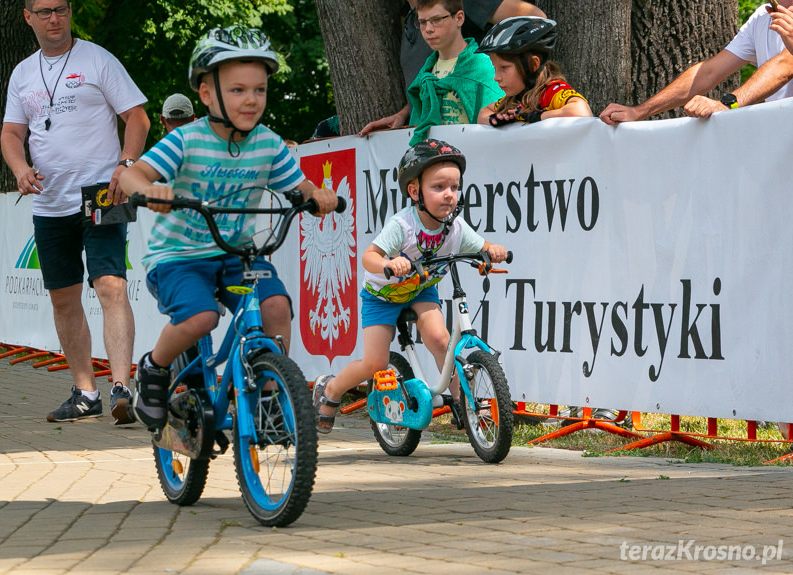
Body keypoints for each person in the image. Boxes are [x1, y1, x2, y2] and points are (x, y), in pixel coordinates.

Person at [118, 26, 338, 430]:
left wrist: (315, 194)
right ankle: (154, 367)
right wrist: (148, 190)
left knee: (275, 307)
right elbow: (132, 174)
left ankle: (271, 396)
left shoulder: (269, 144)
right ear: (206, 94)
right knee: (202, 317)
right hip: (179, 257)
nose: (251, 99)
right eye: (238, 90)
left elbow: (298, 186)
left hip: (238, 254)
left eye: (259, 89)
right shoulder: (186, 140)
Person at [0, 0, 150, 424]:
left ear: (69, 12)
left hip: (102, 193)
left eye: (61, 9)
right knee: (63, 298)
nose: (54, 18)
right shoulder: (22, 73)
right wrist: (20, 168)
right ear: (28, 17)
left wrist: (125, 165)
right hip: (49, 202)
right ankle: (85, 391)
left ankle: (122, 386)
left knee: (111, 286)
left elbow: (137, 119)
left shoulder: (98, 59)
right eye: (44, 11)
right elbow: (12, 133)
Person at [312, 138, 509, 433]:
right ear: (415, 192)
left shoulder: (455, 226)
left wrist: (492, 251)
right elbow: (369, 257)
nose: (449, 195)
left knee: (441, 340)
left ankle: (463, 403)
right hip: (383, 294)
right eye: (439, 187)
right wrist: (389, 264)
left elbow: (482, 245)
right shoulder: (402, 226)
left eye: (454, 188)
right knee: (375, 362)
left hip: (420, 290)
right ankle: (331, 390)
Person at [359, 0, 543, 137]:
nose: (428, 29)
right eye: (422, 22)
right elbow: (435, 87)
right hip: (432, 166)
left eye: (436, 20)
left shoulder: (481, 67)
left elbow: (537, 19)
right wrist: (404, 115)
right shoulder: (413, 29)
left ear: (459, 18)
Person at [600, 1, 793, 124]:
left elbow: (783, 67)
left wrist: (727, 105)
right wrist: (638, 112)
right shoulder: (761, 17)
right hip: (777, 141)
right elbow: (707, 73)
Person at [476, 16, 592, 126]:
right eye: (495, 68)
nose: (496, 77)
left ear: (533, 64)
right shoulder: (514, 99)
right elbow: (484, 112)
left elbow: (582, 111)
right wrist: (495, 119)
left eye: (504, 68)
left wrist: (537, 117)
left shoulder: (551, 92)